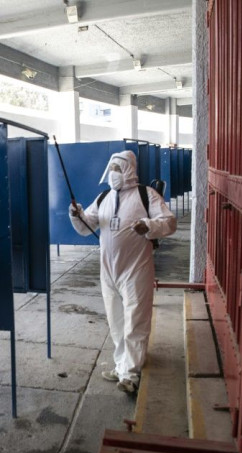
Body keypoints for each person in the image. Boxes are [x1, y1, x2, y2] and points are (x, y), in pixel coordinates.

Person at [69, 150, 176, 393]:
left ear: (128, 169)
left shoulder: (146, 195)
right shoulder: (105, 196)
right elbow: (87, 227)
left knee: (136, 319)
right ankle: (121, 365)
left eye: (117, 169)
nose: (113, 174)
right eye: (112, 169)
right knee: (116, 322)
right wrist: (76, 215)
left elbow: (169, 223)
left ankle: (131, 374)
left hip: (135, 268)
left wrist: (148, 225)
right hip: (108, 271)